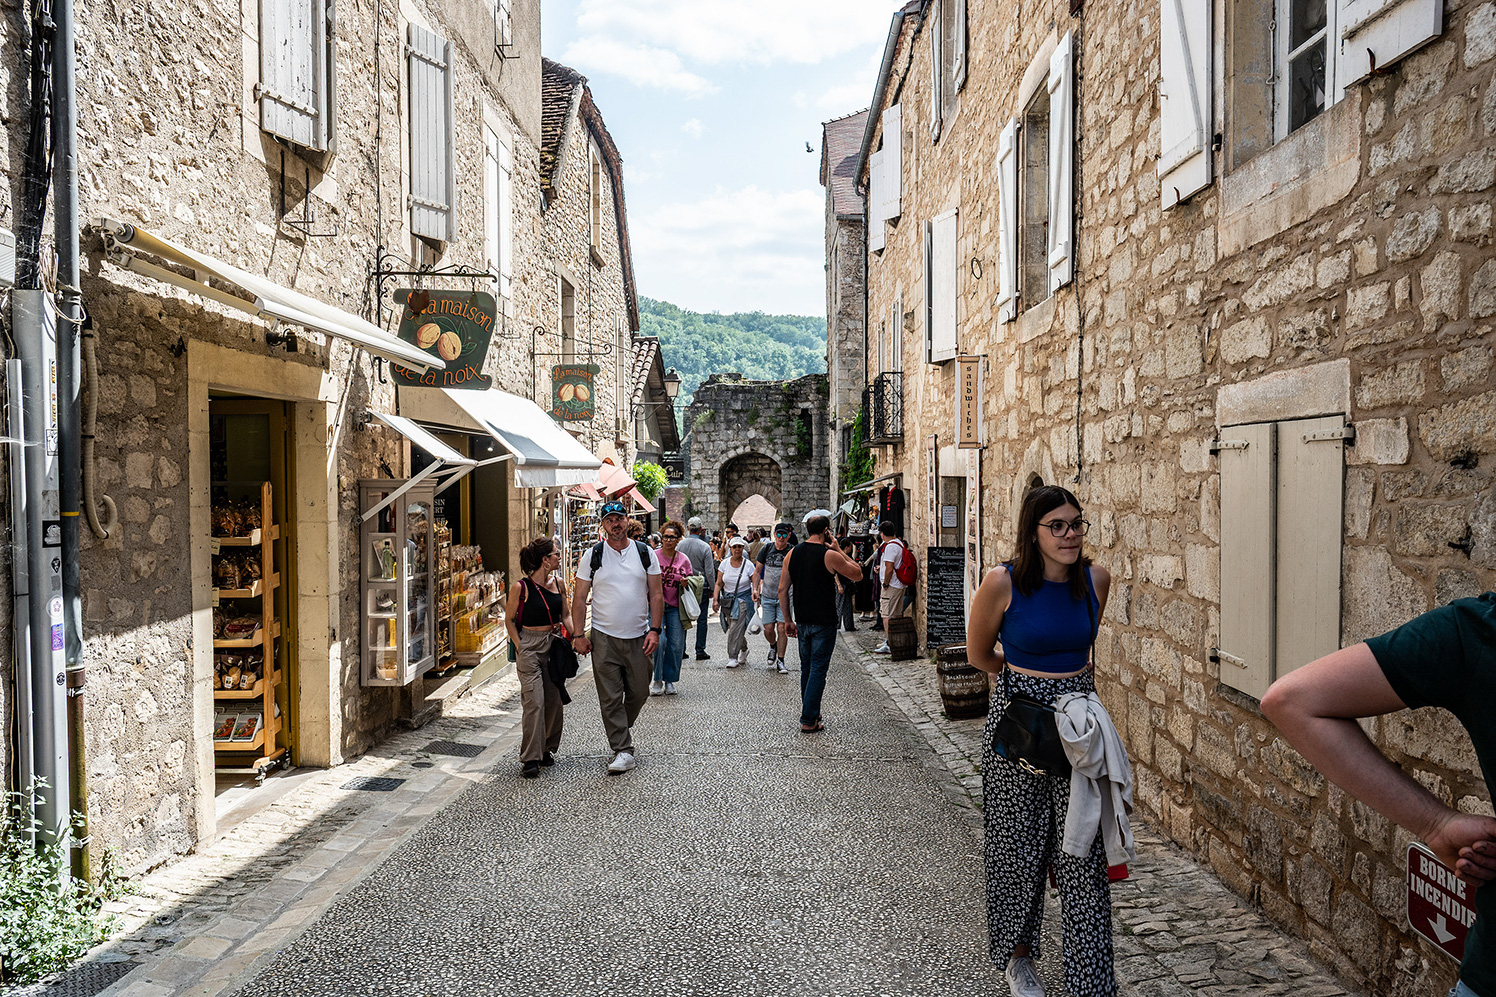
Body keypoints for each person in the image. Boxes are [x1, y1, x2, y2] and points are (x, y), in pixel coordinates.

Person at [1261, 594, 1496, 997]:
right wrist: (1435, 823)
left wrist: (1436, 824)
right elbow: (1291, 703)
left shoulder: (1477, 631)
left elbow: (1291, 702)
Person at [965, 485, 1114, 997]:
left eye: (1077, 523)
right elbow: (980, 654)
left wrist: (1067, 686)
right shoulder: (1001, 584)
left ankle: (1090, 980)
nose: (1070, 534)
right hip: (1020, 733)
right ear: (1035, 533)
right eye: (1058, 526)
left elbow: (1081, 649)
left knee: (1082, 852)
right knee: (1017, 848)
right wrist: (1027, 680)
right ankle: (1017, 959)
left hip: (1079, 734)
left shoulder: (1097, 580)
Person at [571, 500, 664, 776]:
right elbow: (578, 598)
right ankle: (622, 749)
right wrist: (578, 634)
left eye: (619, 518)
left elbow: (656, 594)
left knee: (640, 690)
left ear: (627, 520)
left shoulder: (645, 553)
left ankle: (620, 725)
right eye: (609, 519)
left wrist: (655, 629)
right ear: (603, 524)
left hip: (639, 636)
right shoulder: (593, 555)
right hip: (604, 637)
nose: (615, 523)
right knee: (610, 697)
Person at [780, 514, 863, 733]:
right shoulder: (829, 555)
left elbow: (782, 589)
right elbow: (858, 574)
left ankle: (812, 714)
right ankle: (808, 719)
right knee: (817, 669)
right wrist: (837, 549)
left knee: (807, 669)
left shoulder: (791, 554)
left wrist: (788, 620)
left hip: (803, 619)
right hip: (824, 621)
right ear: (826, 530)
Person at [504, 537, 575, 779]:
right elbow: (509, 620)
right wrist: (520, 645)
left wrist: (577, 636)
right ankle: (530, 758)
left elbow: (565, 615)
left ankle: (546, 749)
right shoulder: (520, 588)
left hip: (553, 645)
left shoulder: (560, 583)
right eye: (555, 553)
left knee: (553, 700)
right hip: (530, 646)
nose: (559, 556)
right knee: (534, 701)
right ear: (545, 560)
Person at [649, 521, 691, 696]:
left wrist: (686, 582)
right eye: (665, 536)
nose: (668, 540)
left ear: (678, 539)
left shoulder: (683, 559)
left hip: (675, 607)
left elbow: (692, 582)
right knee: (660, 642)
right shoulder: (653, 556)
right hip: (656, 606)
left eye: (672, 537)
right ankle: (657, 679)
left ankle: (670, 680)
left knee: (675, 645)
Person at [755, 522, 794, 674]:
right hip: (768, 595)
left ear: (788, 536)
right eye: (779, 534)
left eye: (784, 534)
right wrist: (755, 589)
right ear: (774, 535)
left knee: (782, 627)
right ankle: (773, 645)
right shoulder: (766, 549)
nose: (781, 537)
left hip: (786, 596)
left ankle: (781, 660)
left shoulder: (792, 551)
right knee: (768, 628)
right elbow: (757, 571)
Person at [712, 535, 756, 668]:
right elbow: (719, 583)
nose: (737, 549)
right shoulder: (724, 564)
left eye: (740, 547)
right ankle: (744, 648)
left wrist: (755, 592)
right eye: (734, 547)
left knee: (735, 627)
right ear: (730, 548)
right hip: (728, 601)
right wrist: (715, 600)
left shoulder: (748, 565)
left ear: (743, 548)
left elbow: (755, 581)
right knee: (734, 627)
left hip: (743, 600)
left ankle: (732, 656)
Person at [679, 516, 716, 661]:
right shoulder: (705, 547)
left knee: (683, 617)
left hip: (684, 584)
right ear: (701, 529)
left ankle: (681, 649)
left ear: (688, 528)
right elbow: (709, 571)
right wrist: (713, 588)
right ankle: (700, 650)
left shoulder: (679, 546)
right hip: (702, 586)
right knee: (701, 619)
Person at [873, 520, 910, 653]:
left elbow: (889, 569)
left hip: (891, 586)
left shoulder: (890, 547)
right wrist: (880, 568)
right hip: (899, 585)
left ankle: (890, 643)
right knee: (896, 615)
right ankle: (895, 641)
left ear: (882, 534)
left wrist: (885, 583)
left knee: (887, 615)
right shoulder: (899, 544)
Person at [835, 530, 858, 633]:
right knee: (839, 605)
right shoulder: (839, 557)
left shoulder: (847, 557)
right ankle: (836, 625)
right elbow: (835, 573)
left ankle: (849, 626)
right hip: (841, 584)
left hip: (847, 584)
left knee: (848, 606)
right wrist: (839, 585)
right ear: (847, 547)